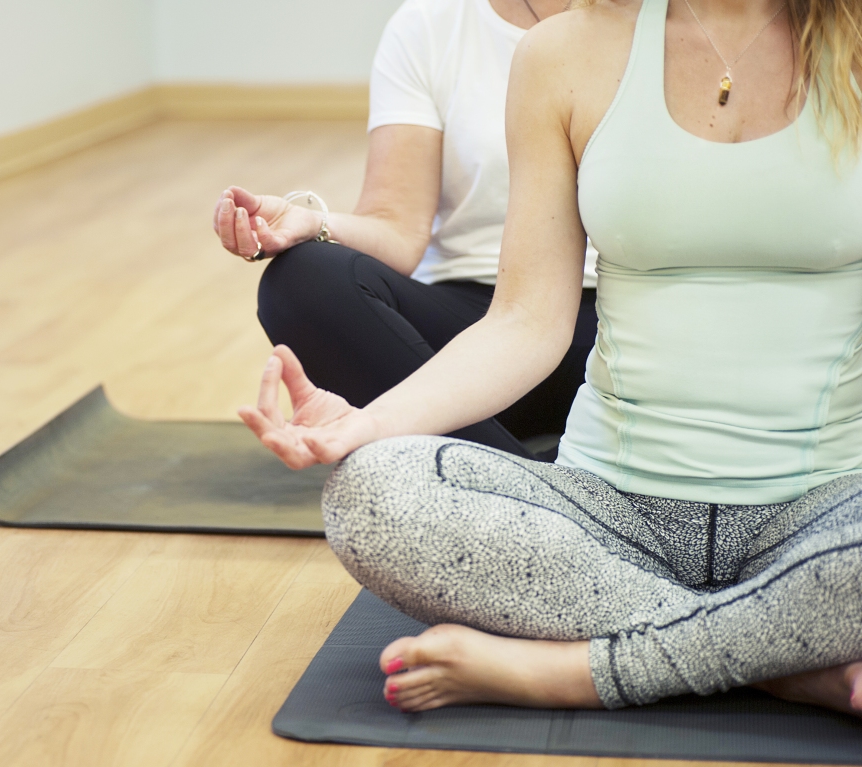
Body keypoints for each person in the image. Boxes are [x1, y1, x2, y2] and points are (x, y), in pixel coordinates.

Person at [238, 0, 862, 717]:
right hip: (612, 508)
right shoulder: (565, 53)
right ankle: (784, 662)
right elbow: (527, 320)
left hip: (824, 504)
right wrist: (365, 426)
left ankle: (575, 671)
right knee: (369, 494)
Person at [213, 0, 599, 461]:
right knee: (302, 279)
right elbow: (394, 222)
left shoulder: (666, 19)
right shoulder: (430, 25)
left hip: (617, 328)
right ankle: (522, 479)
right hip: (475, 332)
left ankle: (474, 469)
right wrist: (313, 223)